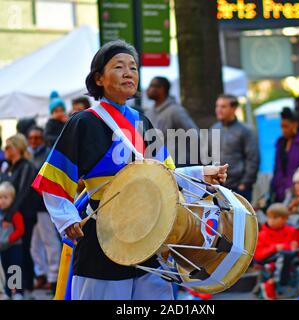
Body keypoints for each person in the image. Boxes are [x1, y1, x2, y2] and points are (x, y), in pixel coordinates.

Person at [32, 40, 228, 300]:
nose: (128, 73)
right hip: (103, 238)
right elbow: (54, 179)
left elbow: (166, 175)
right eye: (119, 67)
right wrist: (67, 219)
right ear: (99, 78)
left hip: (149, 234)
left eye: (133, 68)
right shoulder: (83, 123)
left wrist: (202, 174)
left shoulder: (141, 121)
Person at [1, 134, 37, 299]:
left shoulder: (26, 166)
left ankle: (22, 290)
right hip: (10, 216)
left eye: (8, 147)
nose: (5, 150)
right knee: (9, 254)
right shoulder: (8, 167)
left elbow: (23, 193)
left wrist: (9, 215)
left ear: (18, 148)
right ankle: (14, 289)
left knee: (20, 253)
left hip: (22, 216)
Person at [27, 127, 61, 293]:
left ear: (42, 139)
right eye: (31, 138)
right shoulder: (29, 154)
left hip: (44, 206)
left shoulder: (47, 154)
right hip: (32, 207)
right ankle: (41, 275)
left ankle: (53, 278)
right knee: (35, 244)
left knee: (50, 242)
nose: (33, 141)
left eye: (37, 138)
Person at [209, 94, 259, 202]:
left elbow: (253, 158)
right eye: (217, 106)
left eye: (223, 106)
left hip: (239, 187)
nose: (218, 110)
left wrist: (245, 183)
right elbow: (209, 157)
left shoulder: (245, 131)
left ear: (234, 108)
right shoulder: (214, 129)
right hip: (218, 186)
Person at [146, 77, 199, 167]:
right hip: (156, 166)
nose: (148, 89)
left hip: (176, 167)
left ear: (162, 89)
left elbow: (194, 134)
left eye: (152, 86)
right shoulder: (149, 112)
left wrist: (185, 160)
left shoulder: (176, 111)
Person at [254, 203, 299, 300]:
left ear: (285, 219)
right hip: (267, 258)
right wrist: (274, 248)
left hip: (286, 259)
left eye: (275, 218)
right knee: (282, 256)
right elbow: (258, 255)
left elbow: (292, 248)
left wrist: (293, 247)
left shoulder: (291, 231)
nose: (271, 220)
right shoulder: (262, 234)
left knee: (291, 256)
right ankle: (273, 282)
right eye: (269, 217)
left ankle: (272, 282)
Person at [0, 182, 25, 300]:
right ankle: (7, 292)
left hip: (14, 246)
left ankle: (18, 291)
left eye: (6, 197)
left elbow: (20, 230)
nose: (2, 201)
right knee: (4, 269)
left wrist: (9, 239)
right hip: (2, 247)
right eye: (0, 198)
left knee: (15, 268)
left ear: (12, 199)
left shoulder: (15, 214)